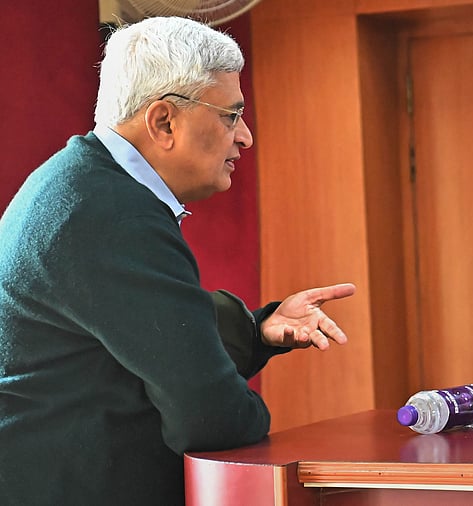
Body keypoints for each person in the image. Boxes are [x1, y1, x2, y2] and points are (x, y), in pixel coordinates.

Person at [0, 17, 355, 505]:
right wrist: (243, 407)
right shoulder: (114, 215)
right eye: (231, 115)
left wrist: (258, 330)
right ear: (163, 121)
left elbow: (135, 340)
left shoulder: (80, 184)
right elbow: (212, 417)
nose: (246, 137)